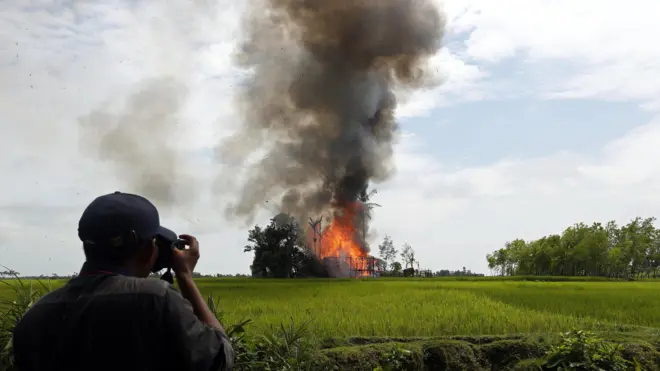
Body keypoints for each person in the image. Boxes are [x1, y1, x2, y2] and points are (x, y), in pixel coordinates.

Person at [12, 191, 234, 371]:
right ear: (148, 250)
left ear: (86, 245)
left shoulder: (35, 316)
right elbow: (219, 359)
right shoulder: (156, 300)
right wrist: (185, 277)